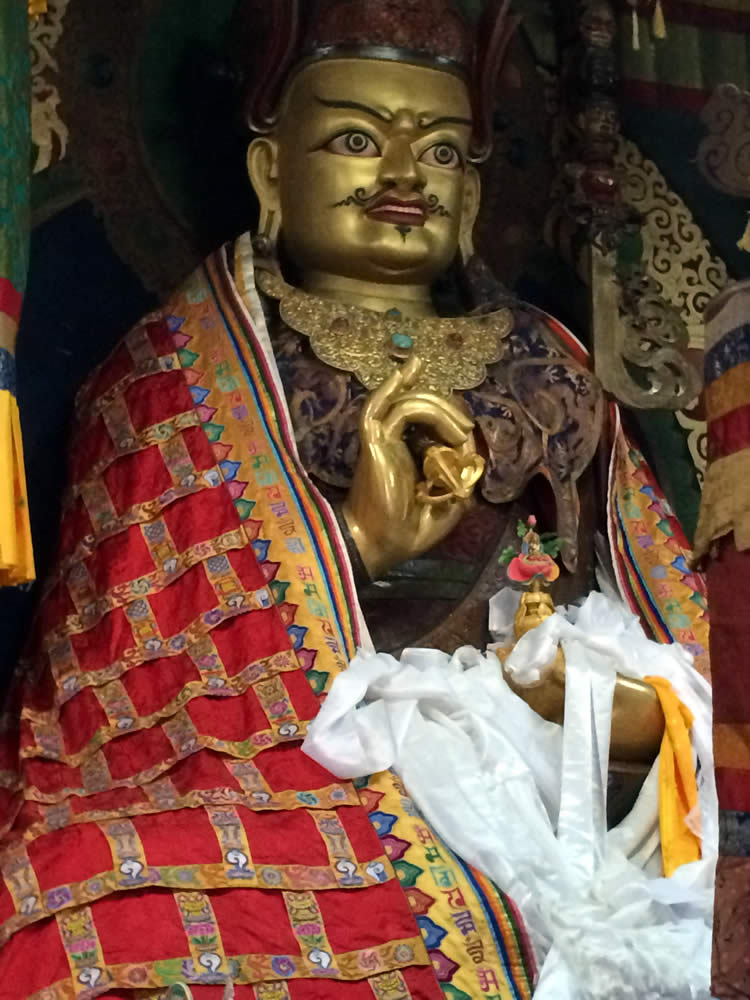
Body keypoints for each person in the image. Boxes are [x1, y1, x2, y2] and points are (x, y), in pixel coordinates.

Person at [0, 1, 667, 996]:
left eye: (440, 152)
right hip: (298, 767)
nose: (404, 177)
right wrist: (354, 542)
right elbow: (122, 671)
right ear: (273, 173)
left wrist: (594, 712)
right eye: (358, 139)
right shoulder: (181, 370)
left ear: (475, 192)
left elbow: (673, 628)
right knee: (67, 899)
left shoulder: (553, 365)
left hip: (561, 777)